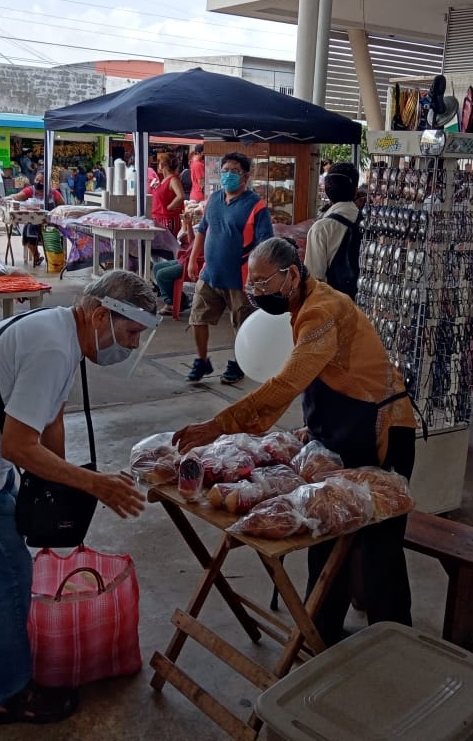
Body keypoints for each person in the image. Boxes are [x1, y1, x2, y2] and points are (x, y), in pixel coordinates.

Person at [0, 270, 152, 725]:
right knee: (6, 575)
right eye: (132, 332)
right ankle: (7, 693)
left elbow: (50, 418)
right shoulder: (53, 348)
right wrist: (90, 483)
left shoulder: (61, 329)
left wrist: (56, 486)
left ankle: (1, 638)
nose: (133, 345)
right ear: (101, 316)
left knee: (0, 565)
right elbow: (18, 446)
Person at [174, 236, 418, 645]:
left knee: (380, 543)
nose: (257, 293)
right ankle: (319, 629)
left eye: (263, 283)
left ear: (291, 274)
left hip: (380, 432)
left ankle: (393, 641)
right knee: (324, 522)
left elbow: (289, 381)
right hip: (339, 432)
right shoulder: (300, 303)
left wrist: (219, 425)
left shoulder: (323, 309)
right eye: (252, 285)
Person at [185, 152, 273, 384]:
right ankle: (202, 360)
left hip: (240, 277)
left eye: (234, 171)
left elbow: (265, 244)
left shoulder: (257, 206)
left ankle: (238, 362)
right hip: (210, 272)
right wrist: (194, 259)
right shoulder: (214, 199)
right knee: (197, 317)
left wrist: (257, 276)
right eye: (225, 171)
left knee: (241, 324)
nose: (228, 176)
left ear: (246, 175)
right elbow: (203, 229)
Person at [304, 172, 359, 288]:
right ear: (355, 192)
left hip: (335, 299)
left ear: (327, 194)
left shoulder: (321, 229)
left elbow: (315, 277)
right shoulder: (369, 223)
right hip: (368, 297)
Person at [9, 172, 64, 266]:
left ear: (47, 183)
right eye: (37, 180)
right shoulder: (30, 190)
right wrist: (7, 198)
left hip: (50, 223)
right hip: (33, 222)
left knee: (54, 233)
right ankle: (36, 256)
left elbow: (62, 206)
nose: (38, 182)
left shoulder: (54, 193)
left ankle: (53, 258)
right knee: (28, 230)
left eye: (42, 181)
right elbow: (17, 196)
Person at [151, 152, 186, 235]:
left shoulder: (173, 179)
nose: (158, 165)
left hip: (167, 220)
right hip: (159, 218)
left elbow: (180, 195)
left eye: (159, 162)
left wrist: (169, 207)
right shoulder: (164, 180)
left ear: (163, 165)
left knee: (166, 246)